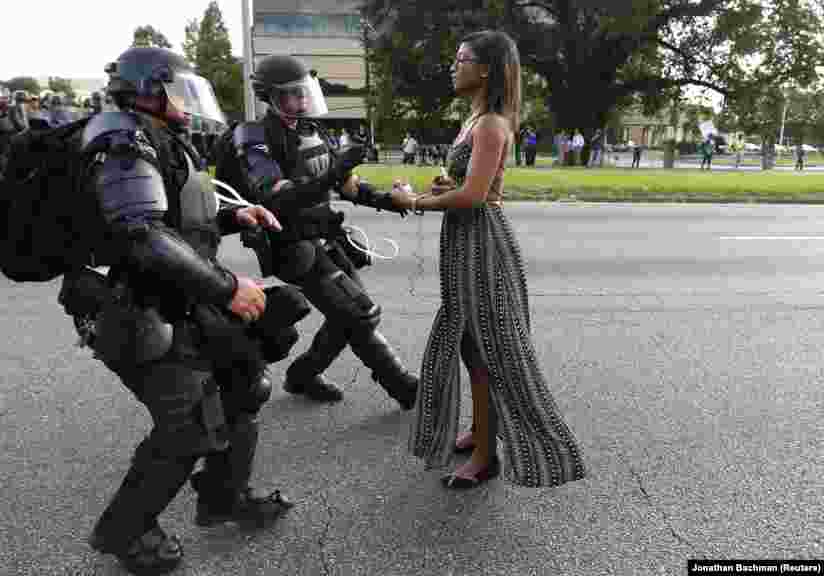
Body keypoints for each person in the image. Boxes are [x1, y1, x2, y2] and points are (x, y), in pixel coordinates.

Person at [79, 47, 294, 575]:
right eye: (179, 88)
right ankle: (124, 532)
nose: (189, 100)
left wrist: (233, 216)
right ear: (150, 89)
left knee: (245, 384)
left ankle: (223, 497)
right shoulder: (121, 142)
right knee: (187, 427)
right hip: (133, 308)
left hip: (179, 295)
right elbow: (141, 235)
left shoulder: (159, 138)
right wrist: (226, 289)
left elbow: (176, 219)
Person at [388, 30, 587, 490]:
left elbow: (476, 196)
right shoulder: (475, 120)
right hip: (465, 242)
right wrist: (440, 187)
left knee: (486, 351)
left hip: (482, 244)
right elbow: (466, 186)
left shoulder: (493, 123)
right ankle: (481, 431)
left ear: (485, 70)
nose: (453, 66)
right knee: (469, 343)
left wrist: (413, 201)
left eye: (461, 59)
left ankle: (487, 455)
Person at [233, 53, 419, 408]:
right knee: (359, 313)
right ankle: (404, 387)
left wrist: (387, 201)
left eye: (304, 92)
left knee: (349, 314)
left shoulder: (311, 130)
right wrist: (333, 175)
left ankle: (303, 375)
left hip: (325, 236)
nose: (300, 101)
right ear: (269, 96)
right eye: (291, 94)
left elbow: (347, 185)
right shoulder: (253, 136)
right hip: (291, 244)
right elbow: (277, 198)